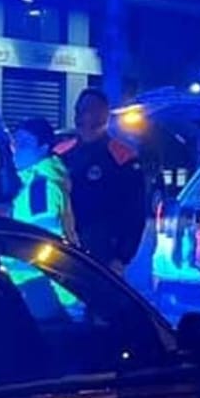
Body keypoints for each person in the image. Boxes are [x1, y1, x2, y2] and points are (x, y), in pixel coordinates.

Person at [54, 88, 147, 274]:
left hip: (103, 251)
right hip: (62, 246)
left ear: (103, 115)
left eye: (91, 110)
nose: (83, 116)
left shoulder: (122, 158)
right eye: (80, 110)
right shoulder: (61, 154)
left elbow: (135, 212)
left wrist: (122, 256)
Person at [9, 118, 76, 242]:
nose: (16, 150)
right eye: (15, 144)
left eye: (24, 144)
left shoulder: (40, 188)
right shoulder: (42, 181)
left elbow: (44, 242)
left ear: (43, 148)